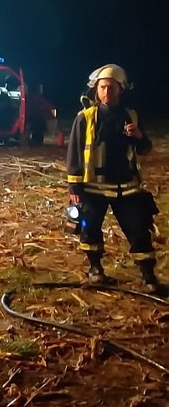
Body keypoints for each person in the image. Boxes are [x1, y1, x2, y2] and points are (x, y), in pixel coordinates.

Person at [66, 64, 165, 295]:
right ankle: (95, 270)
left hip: (127, 187)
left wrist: (139, 136)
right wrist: (74, 186)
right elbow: (75, 152)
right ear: (96, 90)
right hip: (93, 186)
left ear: (121, 90)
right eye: (102, 88)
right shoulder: (85, 118)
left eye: (111, 88)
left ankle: (148, 277)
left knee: (140, 230)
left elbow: (145, 148)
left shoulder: (132, 116)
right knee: (88, 229)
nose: (106, 92)